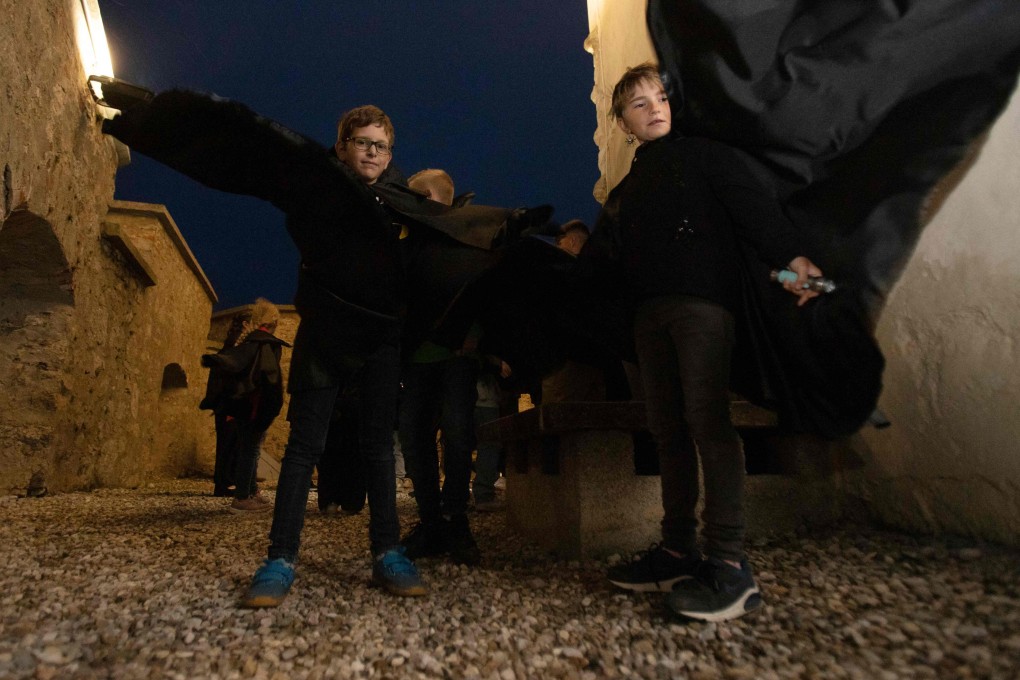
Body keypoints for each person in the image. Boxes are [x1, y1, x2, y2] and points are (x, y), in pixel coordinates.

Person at [590, 63, 822, 622]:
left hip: (702, 309)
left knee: (707, 422)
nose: (655, 108)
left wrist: (795, 264)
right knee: (666, 430)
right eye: (640, 104)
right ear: (623, 122)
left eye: (661, 97)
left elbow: (754, 210)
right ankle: (677, 550)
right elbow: (607, 261)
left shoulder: (704, 155)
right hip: (649, 317)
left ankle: (729, 564)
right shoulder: (627, 188)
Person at [396, 168, 482, 565]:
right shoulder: (410, 243)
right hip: (416, 358)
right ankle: (431, 521)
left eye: (414, 196)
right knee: (414, 439)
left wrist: (473, 338)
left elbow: (480, 289)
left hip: (455, 357)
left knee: (459, 438)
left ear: (430, 197)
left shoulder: (467, 236)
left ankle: (455, 519)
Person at [202, 298, 289, 513]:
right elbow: (268, 379)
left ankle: (250, 491)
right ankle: (242, 498)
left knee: (250, 449)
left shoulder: (248, 342)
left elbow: (236, 362)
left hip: (243, 406)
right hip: (254, 407)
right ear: (273, 321)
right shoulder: (264, 344)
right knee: (250, 450)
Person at [200, 310, 252, 497]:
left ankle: (226, 482)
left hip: (228, 405)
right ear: (246, 324)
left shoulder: (232, 347)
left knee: (231, 445)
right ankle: (224, 484)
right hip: (228, 405)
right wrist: (230, 405)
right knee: (228, 445)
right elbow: (226, 379)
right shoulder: (233, 348)